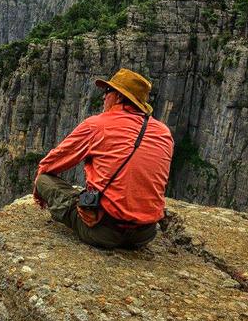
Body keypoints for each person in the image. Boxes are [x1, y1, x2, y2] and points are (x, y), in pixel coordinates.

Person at [33, 68, 173, 249]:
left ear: (120, 97)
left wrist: (39, 188)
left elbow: (51, 163)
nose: (103, 97)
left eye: (107, 91)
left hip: (103, 231)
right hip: (144, 234)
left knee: (44, 180)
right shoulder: (163, 132)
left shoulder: (97, 125)